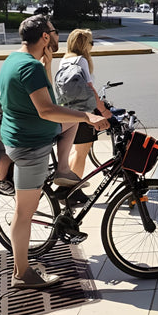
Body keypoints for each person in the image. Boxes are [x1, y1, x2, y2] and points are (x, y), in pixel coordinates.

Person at [0, 15, 109, 289]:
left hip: (20, 134)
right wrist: (87, 115)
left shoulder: (16, 59)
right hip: (30, 145)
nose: (57, 36)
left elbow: (47, 98)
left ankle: (62, 169)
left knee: (70, 121)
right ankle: (22, 273)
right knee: (24, 213)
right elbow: (46, 110)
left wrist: (47, 64)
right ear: (45, 37)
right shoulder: (30, 68)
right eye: (54, 31)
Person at [56, 29, 112, 205]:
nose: (92, 46)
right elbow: (90, 90)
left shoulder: (65, 59)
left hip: (67, 111)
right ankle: (71, 191)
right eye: (91, 42)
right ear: (84, 44)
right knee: (81, 153)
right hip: (84, 113)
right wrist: (103, 111)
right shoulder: (81, 60)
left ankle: (67, 188)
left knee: (76, 150)